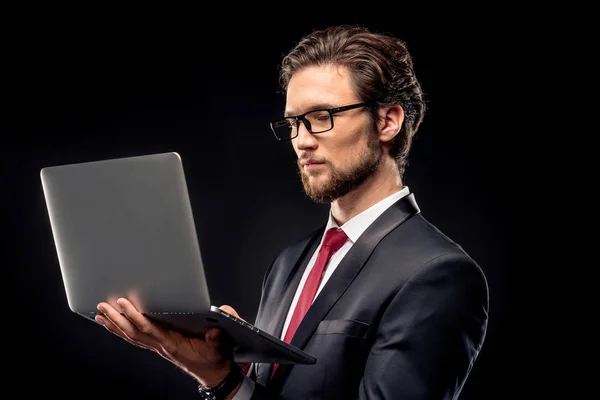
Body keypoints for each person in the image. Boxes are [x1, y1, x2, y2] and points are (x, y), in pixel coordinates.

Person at [95, 24, 489, 399]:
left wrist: (227, 382)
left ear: (387, 121)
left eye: (322, 118)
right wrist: (219, 376)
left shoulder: (438, 274)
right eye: (293, 123)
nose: (301, 141)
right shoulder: (287, 265)